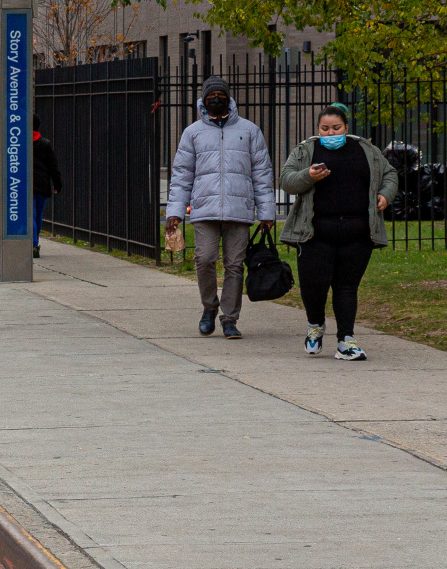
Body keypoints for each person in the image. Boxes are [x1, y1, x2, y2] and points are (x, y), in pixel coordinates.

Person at [279, 103, 397, 361]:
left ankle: (346, 340)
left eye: (336, 128)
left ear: (346, 127)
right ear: (318, 129)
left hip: (357, 233)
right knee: (314, 287)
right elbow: (287, 181)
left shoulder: (365, 149)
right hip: (315, 234)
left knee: (346, 287)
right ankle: (315, 327)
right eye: (325, 129)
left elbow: (389, 174)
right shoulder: (306, 149)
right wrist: (309, 175)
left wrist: (385, 195)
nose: (330, 134)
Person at [164, 75, 274, 339]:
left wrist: (267, 212)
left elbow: (262, 172)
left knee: (235, 265)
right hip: (205, 209)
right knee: (204, 259)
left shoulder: (249, 130)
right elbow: (181, 174)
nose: (216, 99)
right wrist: (175, 212)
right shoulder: (193, 133)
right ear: (203, 100)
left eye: (220, 96)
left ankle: (230, 318)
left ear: (229, 99)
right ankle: (209, 307)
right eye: (211, 95)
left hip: (240, 210)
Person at [31, 114, 62, 259]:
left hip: (27, 185)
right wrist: (57, 183)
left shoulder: (20, 142)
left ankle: (33, 244)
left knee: (30, 215)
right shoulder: (45, 144)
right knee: (38, 215)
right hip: (43, 184)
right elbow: (53, 166)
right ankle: (35, 243)